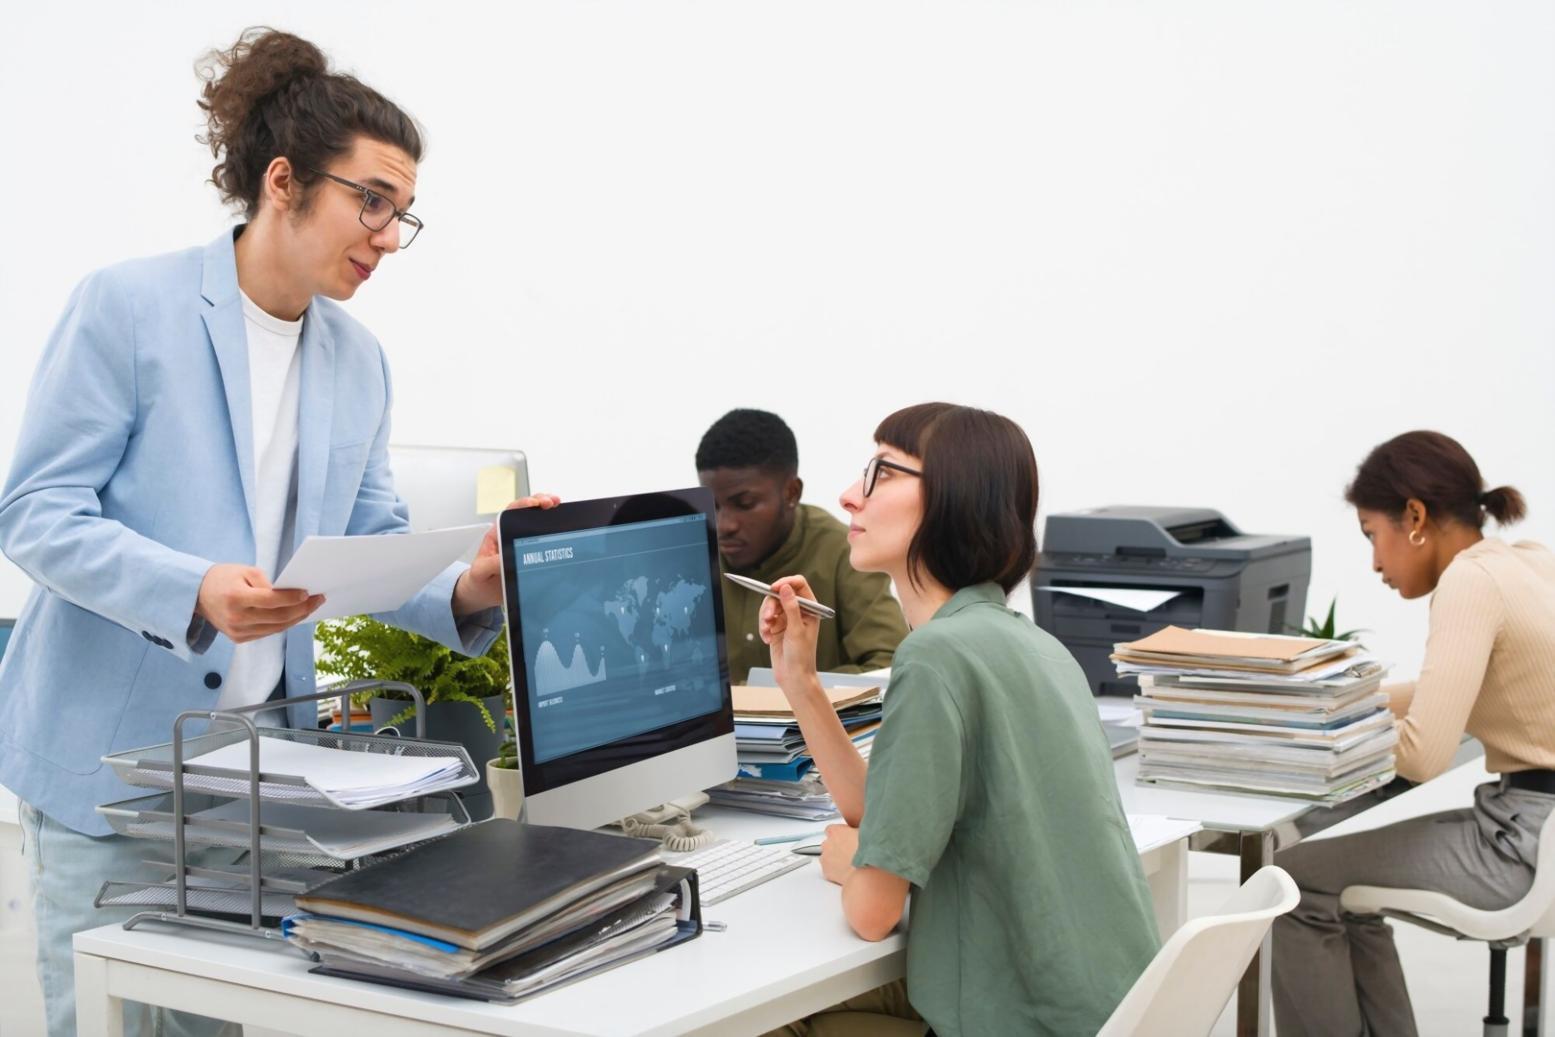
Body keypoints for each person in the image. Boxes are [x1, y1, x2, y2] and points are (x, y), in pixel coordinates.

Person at [0, 29, 555, 1037]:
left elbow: (370, 540)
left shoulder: (357, 359)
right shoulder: (127, 308)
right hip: (112, 776)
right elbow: (35, 510)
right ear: (285, 180)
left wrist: (469, 589)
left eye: (403, 214)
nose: (389, 235)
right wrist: (195, 588)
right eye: (372, 201)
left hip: (260, 780)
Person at [759, 402, 1158, 1037]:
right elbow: (887, 814)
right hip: (1105, 1014)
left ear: (952, 499)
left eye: (882, 473)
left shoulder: (936, 657)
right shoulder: (1027, 643)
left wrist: (852, 865)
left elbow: (871, 913)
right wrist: (800, 682)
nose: (848, 497)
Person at [1273, 430, 1555, 1036]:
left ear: (1416, 517)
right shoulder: (1527, 561)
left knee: (1292, 879)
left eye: (1373, 535)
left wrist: (1323, 741)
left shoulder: (1468, 583)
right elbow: (1455, 692)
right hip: (1538, 828)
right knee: (1345, 881)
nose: (1375, 562)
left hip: (1520, 844)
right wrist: (1335, 700)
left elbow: (1424, 756)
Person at [695, 407, 907, 684]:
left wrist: (789, 687)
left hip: (818, 727)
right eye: (713, 505)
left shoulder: (845, 551)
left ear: (791, 493)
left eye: (744, 504)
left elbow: (888, 666)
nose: (724, 525)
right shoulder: (694, 555)